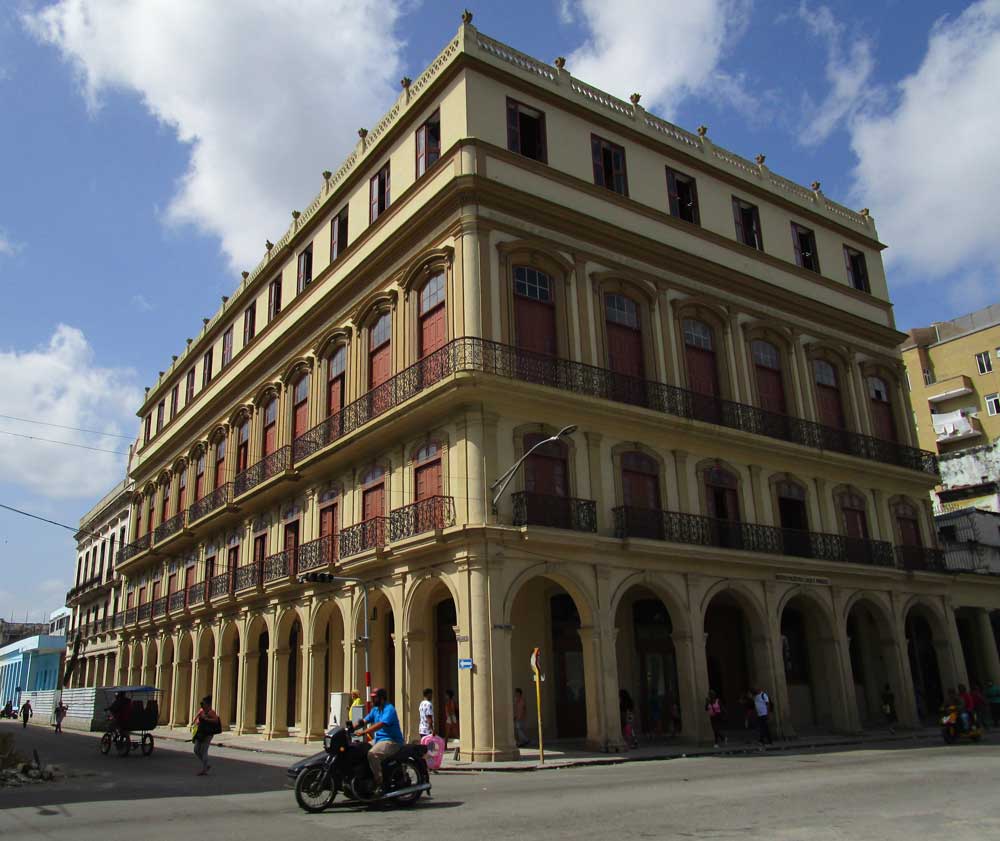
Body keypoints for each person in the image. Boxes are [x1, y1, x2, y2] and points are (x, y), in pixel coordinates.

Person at [355, 687, 403, 795]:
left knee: (372, 754)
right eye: (372, 697)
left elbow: (381, 724)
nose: (372, 700)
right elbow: (364, 721)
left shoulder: (389, 709)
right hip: (379, 740)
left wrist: (365, 732)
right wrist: (351, 727)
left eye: (375, 697)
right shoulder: (375, 710)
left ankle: (379, 783)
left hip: (392, 741)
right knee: (359, 749)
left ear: (381, 698)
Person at [191, 695, 221, 776]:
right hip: (200, 732)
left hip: (208, 733)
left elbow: (216, 721)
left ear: (208, 704)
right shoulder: (201, 710)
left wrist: (206, 719)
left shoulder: (211, 712)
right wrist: (194, 722)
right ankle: (206, 764)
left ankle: (204, 769)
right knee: (196, 750)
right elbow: (197, 716)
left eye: (203, 703)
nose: (202, 705)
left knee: (204, 751)